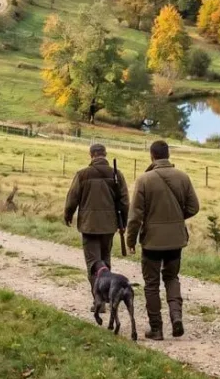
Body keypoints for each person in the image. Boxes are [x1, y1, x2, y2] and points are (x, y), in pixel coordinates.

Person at [125, 140, 199, 340]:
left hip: (152, 241)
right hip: (176, 239)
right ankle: (176, 317)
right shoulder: (183, 177)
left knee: (151, 283)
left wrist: (130, 240)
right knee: (172, 277)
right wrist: (176, 218)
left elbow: (135, 216)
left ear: (152, 155)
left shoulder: (144, 180)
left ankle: (156, 329)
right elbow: (194, 207)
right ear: (168, 155)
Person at [64, 143, 130, 294]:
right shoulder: (116, 174)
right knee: (105, 261)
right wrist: (123, 223)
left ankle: (98, 299)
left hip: (89, 226)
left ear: (91, 155)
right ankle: (107, 293)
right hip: (109, 225)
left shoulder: (82, 174)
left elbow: (72, 198)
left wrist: (68, 215)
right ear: (105, 154)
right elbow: (125, 201)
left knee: (94, 264)